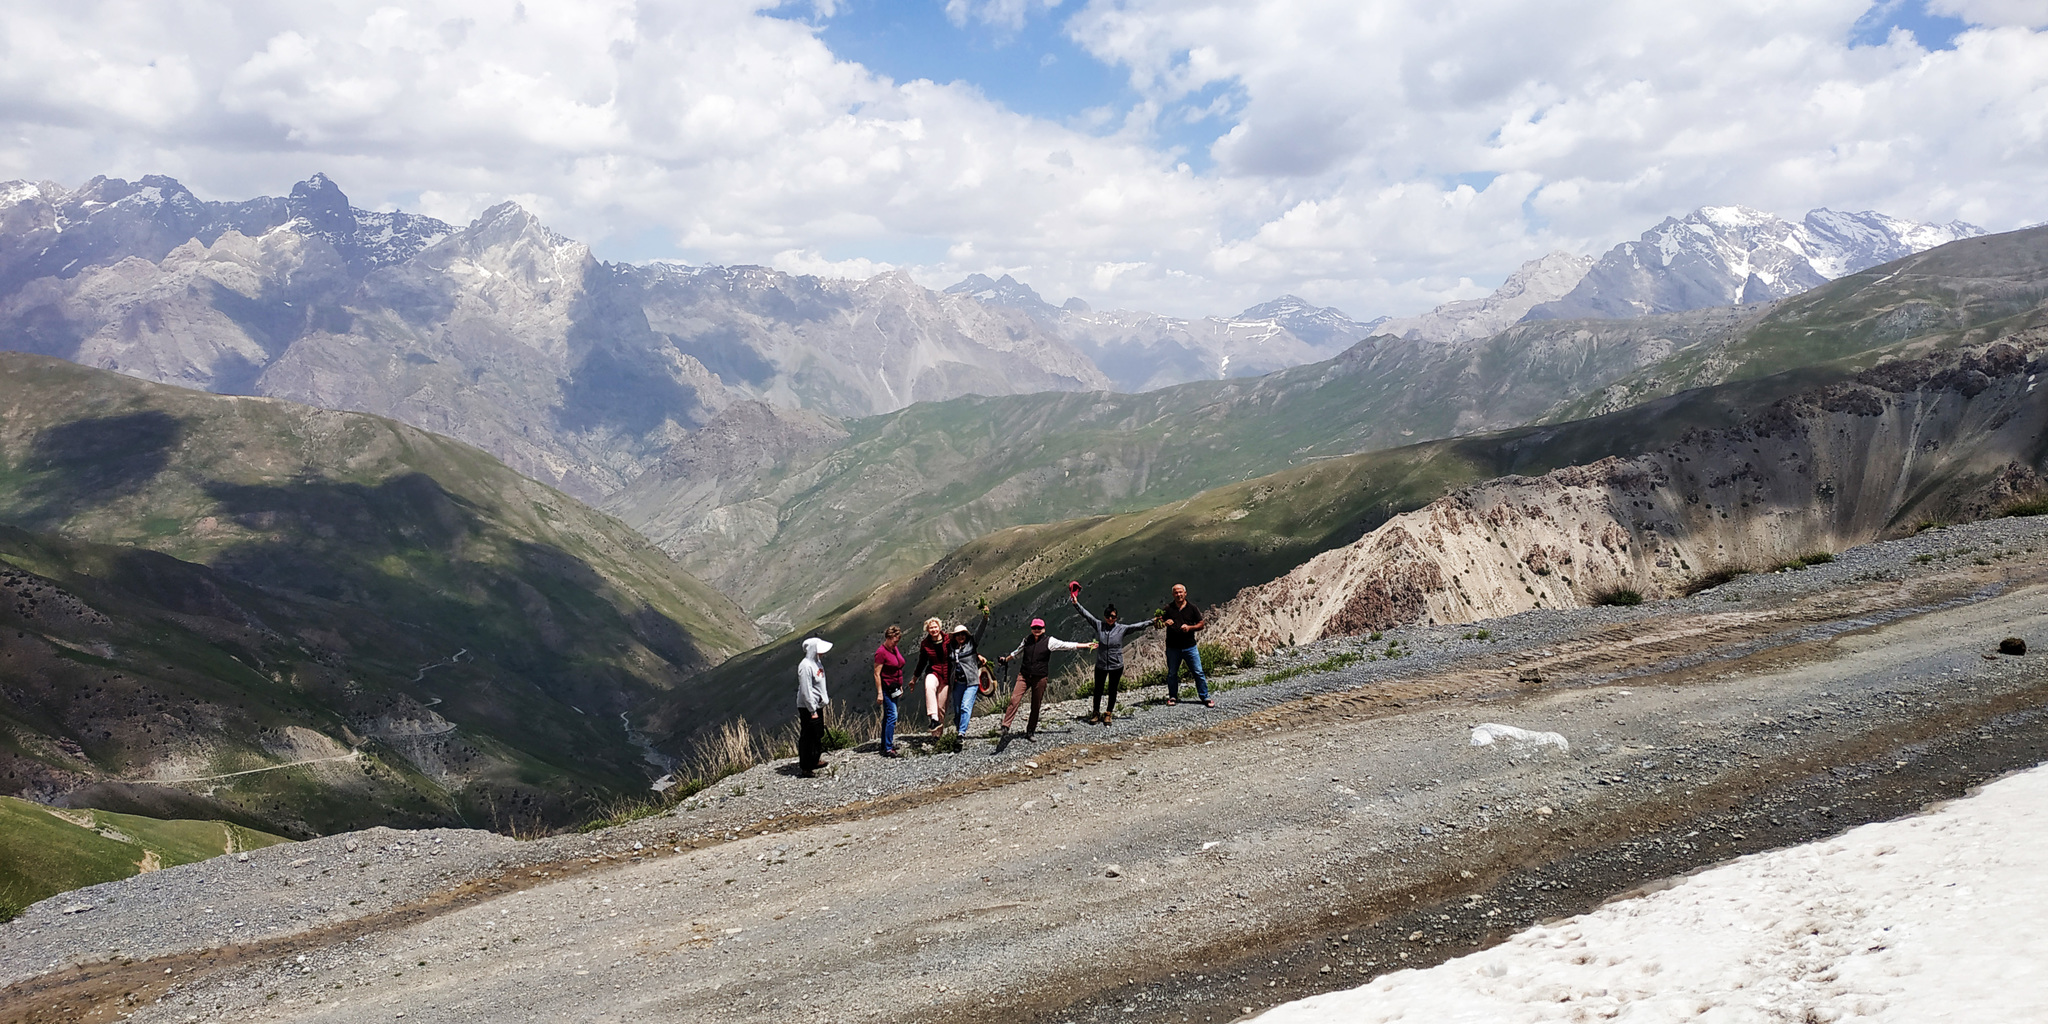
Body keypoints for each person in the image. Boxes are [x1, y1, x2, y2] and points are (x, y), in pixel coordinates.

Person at [996, 618, 1096, 737]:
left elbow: (1066, 645)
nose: (1036, 630)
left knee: (1035, 704)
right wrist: (1005, 660)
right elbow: (1017, 652)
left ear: (1043, 629)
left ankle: (1030, 731)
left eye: (1039, 628)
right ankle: (1005, 726)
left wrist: (1085, 645)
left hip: (1040, 677)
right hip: (1024, 675)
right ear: (1031, 629)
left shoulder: (1050, 641)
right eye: (1034, 628)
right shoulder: (1026, 640)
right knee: (1014, 699)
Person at [1072, 596, 1153, 724]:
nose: (1110, 619)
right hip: (1101, 664)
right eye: (1108, 616)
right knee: (1098, 689)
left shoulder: (1122, 629)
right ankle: (1096, 713)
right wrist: (1076, 604)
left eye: (1113, 617)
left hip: (1116, 665)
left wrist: (1152, 621)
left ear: (1117, 618)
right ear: (1105, 616)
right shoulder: (1099, 625)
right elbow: (1087, 615)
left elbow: (1137, 626)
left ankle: (1108, 713)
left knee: (1112, 689)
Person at [1157, 583, 1212, 707]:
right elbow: (1157, 623)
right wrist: (1164, 623)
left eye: (1180, 592)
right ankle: (1172, 696)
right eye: (1176, 592)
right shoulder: (1168, 609)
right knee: (1172, 673)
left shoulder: (1192, 608)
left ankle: (1205, 697)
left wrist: (1190, 627)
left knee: (1198, 672)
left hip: (1189, 646)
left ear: (1185, 593)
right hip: (1172, 647)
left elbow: (1201, 624)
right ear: (1173, 594)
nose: (1178, 594)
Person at [947, 612, 991, 738]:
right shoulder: (950, 648)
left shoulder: (972, 643)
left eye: (963, 634)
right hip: (957, 683)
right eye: (958, 635)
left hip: (971, 682)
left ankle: (961, 733)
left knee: (965, 706)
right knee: (957, 710)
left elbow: (980, 631)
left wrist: (985, 618)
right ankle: (958, 730)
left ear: (966, 635)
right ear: (954, 637)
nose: (961, 637)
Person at [797, 637, 832, 776]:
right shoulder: (805, 666)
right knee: (808, 735)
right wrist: (812, 710)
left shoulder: (817, 663)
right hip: (808, 707)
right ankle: (806, 766)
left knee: (817, 733)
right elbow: (806, 690)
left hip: (817, 705)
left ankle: (815, 759)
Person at [912, 617, 950, 735]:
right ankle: (933, 719)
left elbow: (962, 649)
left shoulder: (948, 639)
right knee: (929, 686)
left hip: (947, 676)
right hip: (933, 671)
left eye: (935, 627)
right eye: (931, 628)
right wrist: (914, 678)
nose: (934, 629)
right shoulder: (925, 644)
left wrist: (977, 656)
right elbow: (922, 662)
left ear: (939, 627)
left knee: (941, 707)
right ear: (927, 630)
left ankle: (937, 735)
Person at [872, 625, 905, 757]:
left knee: (888, 716)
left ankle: (885, 744)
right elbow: (876, 673)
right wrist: (879, 692)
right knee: (893, 715)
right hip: (886, 688)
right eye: (895, 640)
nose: (896, 643)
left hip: (894, 687)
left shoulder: (894, 649)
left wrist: (900, 685)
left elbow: (898, 666)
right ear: (888, 638)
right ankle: (888, 747)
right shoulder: (881, 653)